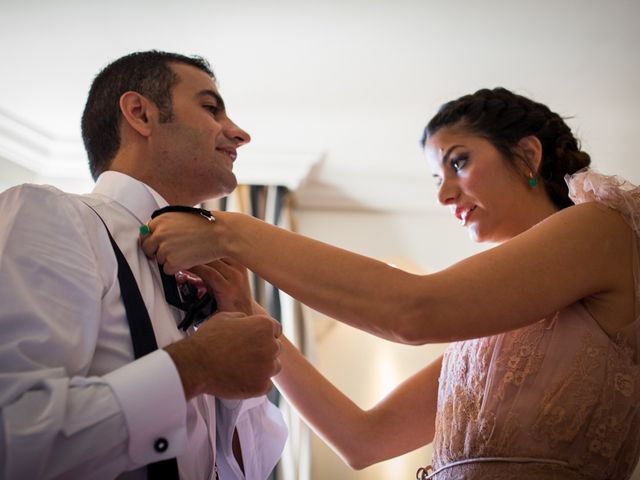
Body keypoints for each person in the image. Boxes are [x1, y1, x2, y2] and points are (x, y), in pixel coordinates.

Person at [140, 87, 640, 479]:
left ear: (528, 155)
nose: (444, 194)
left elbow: (413, 310)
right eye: (434, 178)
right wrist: (251, 315)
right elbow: (363, 439)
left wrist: (231, 231)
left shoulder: (604, 227)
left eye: (458, 161)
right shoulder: (490, 343)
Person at [0, 50, 287, 480]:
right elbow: (14, 438)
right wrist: (194, 366)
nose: (240, 134)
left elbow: (248, 469)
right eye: (211, 108)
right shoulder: (51, 216)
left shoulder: (217, 275)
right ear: (140, 113)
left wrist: (236, 330)